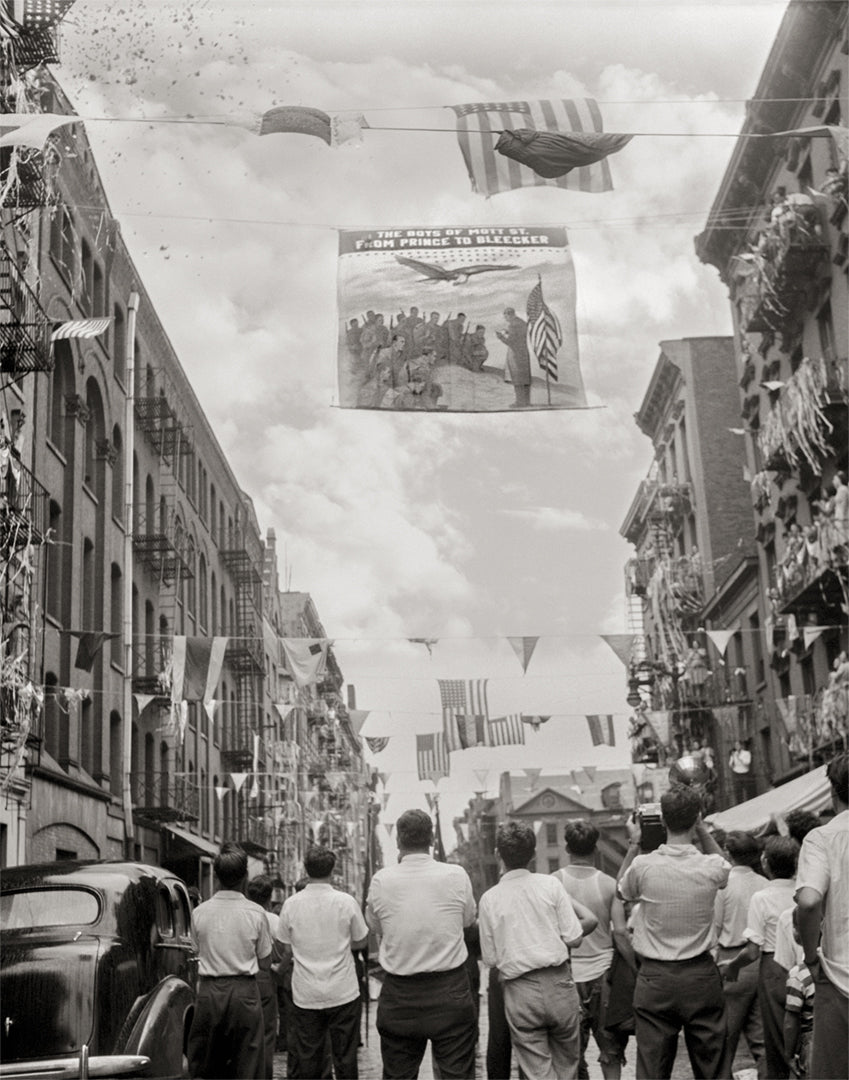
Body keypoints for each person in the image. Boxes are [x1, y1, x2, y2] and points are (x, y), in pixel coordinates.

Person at [617, 784, 730, 1080]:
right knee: (714, 1068)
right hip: (700, 975)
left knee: (652, 1070)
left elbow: (620, 890)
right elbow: (725, 867)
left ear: (662, 820)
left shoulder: (643, 866)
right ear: (696, 818)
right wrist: (702, 829)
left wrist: (634, 843)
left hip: (656, 978)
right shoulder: (711, 866)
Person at [366, 808, 477, 1079]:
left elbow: (376, 926)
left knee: (399, 1075)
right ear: (432, 840)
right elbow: (467, 920)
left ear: (398, 841)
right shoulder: (456, 875)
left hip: (400, 996)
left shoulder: (381, 880)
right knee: (457, 1075)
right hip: (449, 991)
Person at [479, 820, 593, 1080]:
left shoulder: (489, 899)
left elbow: (491, 958)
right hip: (560, 984)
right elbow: (575, 937)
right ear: (533, 854)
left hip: (520, 990)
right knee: (568, 1067)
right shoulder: (550, 885)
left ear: (497, 854)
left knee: (536, 1072)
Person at [277, 846, 368, 1080]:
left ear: (306, 870)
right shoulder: (346, 902)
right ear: (332, 869)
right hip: (343, 990)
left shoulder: (291, 904)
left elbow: (286, 947)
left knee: (308, 1058)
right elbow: (361, 940)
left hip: (306, 992)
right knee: (346, 1058)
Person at [553, 819, 633, 1080]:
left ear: (567, 848)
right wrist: (636, 968)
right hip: (603, 975)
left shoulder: (553, 883)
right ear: (596, 848)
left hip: (567, 976)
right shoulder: (609, 884)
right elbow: (620, 933)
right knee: (610, 1051)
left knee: (570, 1055)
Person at [186, 842, 273, 1080]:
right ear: (245, 876)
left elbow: (194, 951)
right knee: (249, 1062)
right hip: (244, 994)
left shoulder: (199, 912)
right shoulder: (256, 913)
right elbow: (265, 963)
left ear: (216, 876)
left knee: (206, 1063)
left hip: (209, 992)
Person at [719, 835, 800, 1080]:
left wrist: (733, 966)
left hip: (768, 966)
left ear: (765, 862)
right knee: (789, 1034)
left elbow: (752, 949)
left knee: (761, 1036)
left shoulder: (760, 896)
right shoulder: (801, 893)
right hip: (802, 966)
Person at [795, 751, 849, 1080]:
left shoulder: (822, 838)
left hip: (839, 980)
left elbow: (809, 901)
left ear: (833, 790)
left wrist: (810, 956)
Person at [712, 831, 766, 1079]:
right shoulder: (765, 883)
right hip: (761, 960)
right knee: (761, 1038)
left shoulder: (723, 885)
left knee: (724, 1038)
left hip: (731, 960)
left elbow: (715, 928)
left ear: (727, 852)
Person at [247, 874, 283, 1079]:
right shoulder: (273, 920)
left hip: (240, 976)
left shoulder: (243, 914)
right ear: (269, 898)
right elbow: (281, 949)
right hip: (264, 976)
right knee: (267, 1034)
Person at [783, 908, 815, 1079]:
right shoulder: (838, 969)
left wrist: (789, 1054)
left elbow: (791, 1022)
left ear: (797, 933)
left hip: (811, 1044)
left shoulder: (798, 975)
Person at [496, 307, 531, 407]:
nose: (505, 319)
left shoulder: (512, 325)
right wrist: (508, 332)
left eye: (506, 316)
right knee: (525, 378)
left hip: (515, 354)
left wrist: (500, 337)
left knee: (517, 377)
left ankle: (520, 402)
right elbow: (519, 336)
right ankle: (526, 402)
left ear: (509, 315)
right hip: (524, 353)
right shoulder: (522, 323)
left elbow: (511, 342)